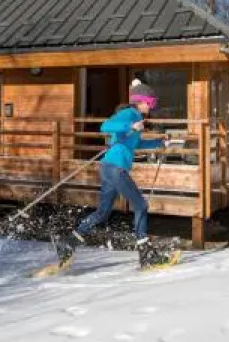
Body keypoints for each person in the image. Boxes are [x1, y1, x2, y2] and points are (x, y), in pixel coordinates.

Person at [55, 79, 172, 268]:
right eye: (150, 102)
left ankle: (70, 241)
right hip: (115, 168)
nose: (151, 107)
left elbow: (136, 144)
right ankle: (146, 254)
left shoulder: (136, 118)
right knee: (141, 205)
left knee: (103, 213)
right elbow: (105, 126)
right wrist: (130, 127)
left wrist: (159, 142)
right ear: (141, 101)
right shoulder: (129, 114)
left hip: (110, 168)